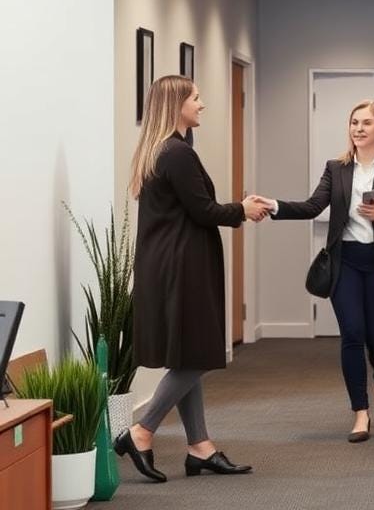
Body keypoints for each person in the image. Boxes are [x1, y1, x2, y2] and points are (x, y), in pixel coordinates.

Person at [115, 75, 267, 482]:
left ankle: (200, 448)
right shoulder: (177, 153)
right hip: (180, 269)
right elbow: (203, 211)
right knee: (196, 355)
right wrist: (242, 208)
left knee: (188, 355)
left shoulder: (162, 151)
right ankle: (141, 431)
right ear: (176, 104)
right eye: (196, 98)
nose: (202, 105)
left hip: (167, 266)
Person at [259, 99, 374, 443]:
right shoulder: (337, 168)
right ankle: (360, 413)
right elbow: (313, 206)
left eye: (366, 123)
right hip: (345, 264)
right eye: (354, 122)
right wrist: (274, 206)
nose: (358, 129)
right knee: (352, 336)